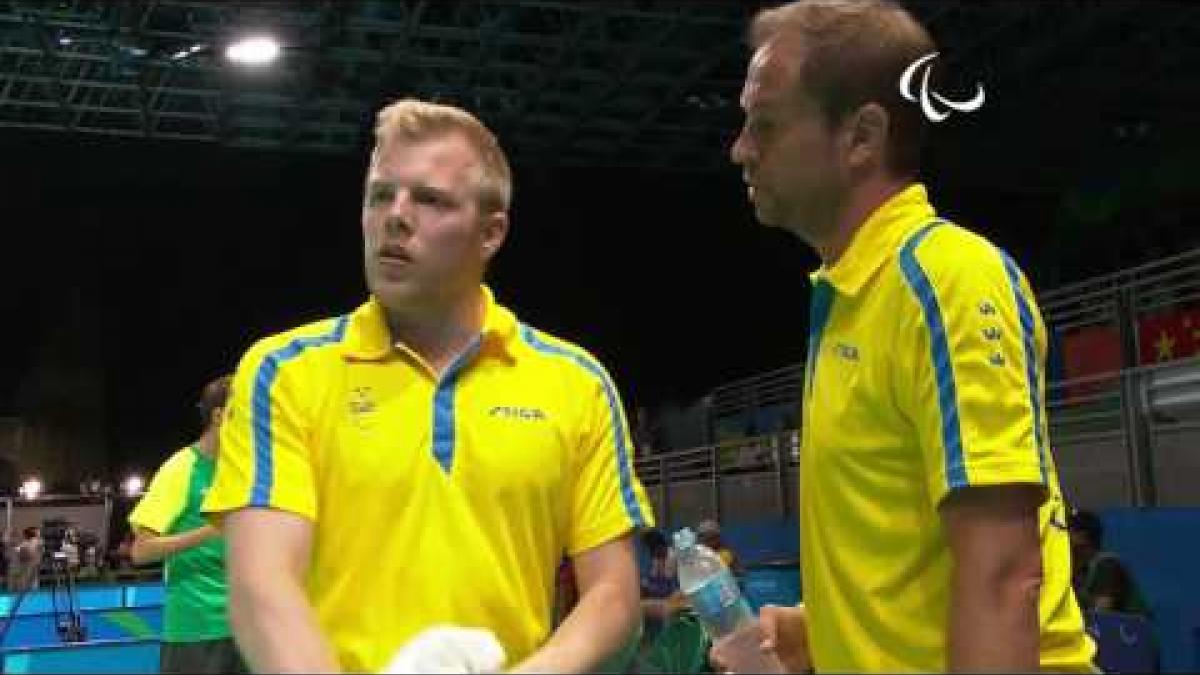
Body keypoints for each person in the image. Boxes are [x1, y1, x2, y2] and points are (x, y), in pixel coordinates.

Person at [202, 98, 654, 673]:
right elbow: (263, 583)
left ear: (490, 234)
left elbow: (614, 597)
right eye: (379, 194)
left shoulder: (578, 384)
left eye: (431, 199)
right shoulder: (283, 371)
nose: (396, 215)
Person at [714, 1, 1096, 671]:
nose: (740, 148)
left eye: (764, 124)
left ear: (862, 136)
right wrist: (818, 627)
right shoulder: (849, 295)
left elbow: (1005, 577)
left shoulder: (948, 279)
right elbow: (915, 558)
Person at [128, 374, 245, 674]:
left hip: (248, 627)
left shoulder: (247, 470)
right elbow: (142, 550)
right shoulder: (181, 467)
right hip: (196, 629)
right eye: (244, 411)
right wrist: (212, 531)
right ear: (220, 416)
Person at [1069, 509, 1149, 616]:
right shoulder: (1077, 570)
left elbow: (1100, 615)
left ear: (1083, 536)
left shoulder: (1107, 566)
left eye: (1068, 531)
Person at [10, 526, 42, 591]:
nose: (39, 534)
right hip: (25, 567)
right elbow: (16, 554)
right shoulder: (26, 544)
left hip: (32, 566)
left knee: (32, 585)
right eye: (37, 532)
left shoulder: (37, 542)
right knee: (25, 585)